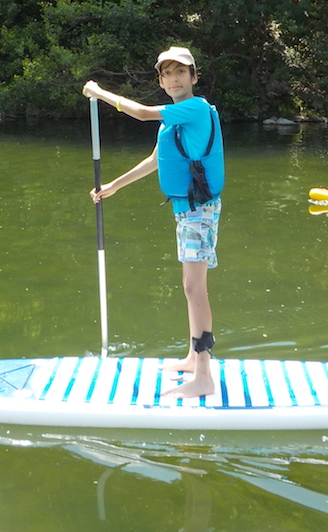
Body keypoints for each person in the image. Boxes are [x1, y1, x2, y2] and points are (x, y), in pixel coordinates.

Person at [82, 46, 224, 399]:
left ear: (194, 77)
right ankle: (194, 358)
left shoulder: (194, 108)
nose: (174, 79)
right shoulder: (176, 118)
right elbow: (157, 159)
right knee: (190, 287)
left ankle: (204, 373)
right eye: (167, 74)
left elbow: (143, 112)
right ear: (161, 81)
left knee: (194, 288)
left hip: (198, 210)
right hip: (187, 209)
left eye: (181, 72)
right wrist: (115, 185)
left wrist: (100, 94)